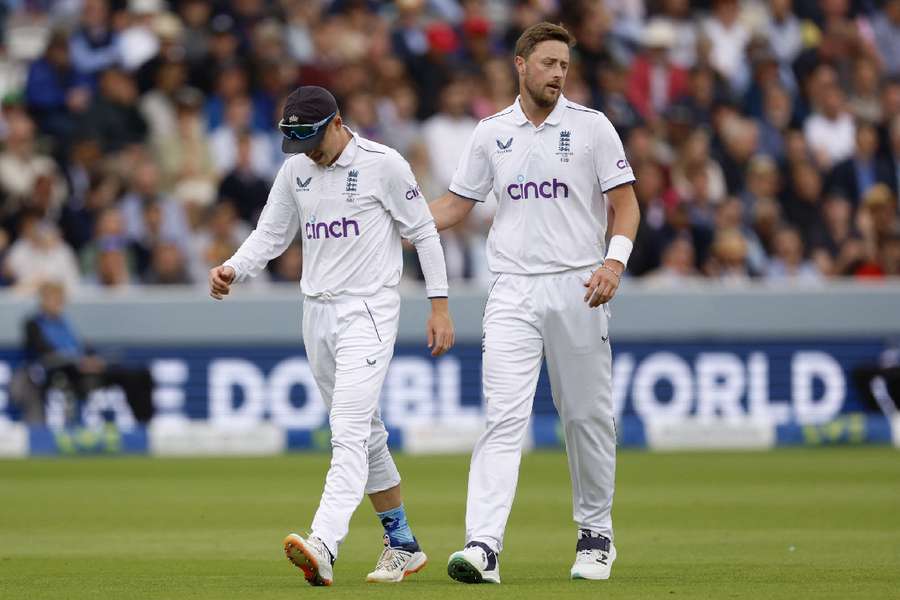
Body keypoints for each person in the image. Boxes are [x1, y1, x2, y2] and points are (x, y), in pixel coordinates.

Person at [207, 86, 454, 586]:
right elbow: (271, 234)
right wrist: (235, 267)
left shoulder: (384, 164)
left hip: (368, 309)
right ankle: (401, 541)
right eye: (296, 142)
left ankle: (323, 543)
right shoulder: (296, 170)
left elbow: (424, 231)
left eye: (313, 139)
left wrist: (440, 305)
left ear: (338, 123)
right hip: (315, 313)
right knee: (366, 432)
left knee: (346, 431)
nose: (307, 152)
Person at [428, 22, 640, 583]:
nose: (558, 74)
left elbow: (626, 206)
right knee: (502, 418)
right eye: (548, 63)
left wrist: (614, 263)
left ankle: (596, 535)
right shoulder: (491, 132)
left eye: (564, 66)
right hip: (512, 288)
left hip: (580, 285)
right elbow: (455, 205)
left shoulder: (593, 128)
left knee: (587, 416)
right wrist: (400, 221)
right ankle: (483, 545)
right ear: (520, 64)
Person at [20, 281, 154, 424]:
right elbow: (46, 354)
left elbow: (82, 348)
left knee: (139, 375)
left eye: (61, 299)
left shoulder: (64, 323)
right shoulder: (33, 324)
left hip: (85, 369)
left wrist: (94, 360)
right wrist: (78, 362)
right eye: (54, 299)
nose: (59, 303)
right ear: (44, 300)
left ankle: (144, 424)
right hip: (65, 373)